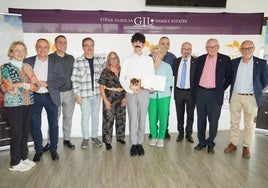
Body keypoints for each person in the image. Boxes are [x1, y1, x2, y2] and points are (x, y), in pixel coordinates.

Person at [224, 40, 268, 158]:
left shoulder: (262, 63)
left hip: (251, 98)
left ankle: (246, 147)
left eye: (249, 48)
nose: (246, 50)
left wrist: (257, 89)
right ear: (240, 50)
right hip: (236, 96)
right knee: (234, 122)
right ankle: (233, 143)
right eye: (244, 48)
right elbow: (228, 78)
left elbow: (265, 81)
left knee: (249, 124)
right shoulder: (233, 63)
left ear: (253, 49)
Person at [24, 38, 66, 162]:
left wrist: (47, 83)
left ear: (49, 49)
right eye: (40, 47)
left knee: (53, 125)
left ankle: (53, 149)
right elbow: (23, 79)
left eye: (45, 47)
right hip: (34, 97)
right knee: (35, 125)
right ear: (36, 47)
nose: (42, 49)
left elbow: (62, 80)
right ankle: (38, 150)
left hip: (50, 97)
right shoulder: (27, 62)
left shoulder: (56, 62)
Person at [0, 41, 39, 171]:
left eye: (22, 50)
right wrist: (27, 85)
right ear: (11, 52)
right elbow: (10, 87)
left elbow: (36, 86)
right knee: (17, 133)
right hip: (13, 105)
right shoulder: (5, 67)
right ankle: (15, 163)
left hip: (28, 103)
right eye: (17, 50)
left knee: (24, 133)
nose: (20, 53)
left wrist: (22, 85)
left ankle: (24, 157)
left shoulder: (27, 66)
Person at [194, 38, 232, 154]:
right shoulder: (200, 59)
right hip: (200, 93)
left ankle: (210, 143)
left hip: (215, 94)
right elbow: (195, 76)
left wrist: (219, 89)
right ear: (206, 48)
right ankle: (201, 142)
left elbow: (229, 77)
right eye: (210, 47)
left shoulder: (225, 59)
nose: (212, 49)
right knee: (201, 120)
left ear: (218, 47)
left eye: (215, 46)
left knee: (214, 121)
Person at [119, 32, 154, 156]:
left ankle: (140, 143)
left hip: (144, 92)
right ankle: (133, 144)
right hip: (131, 92)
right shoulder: (127, 60)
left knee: (142, 118)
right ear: (132, 43)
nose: (137, 44)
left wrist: (151, 87)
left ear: (143, 45)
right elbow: (122, 78)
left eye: (140, 42)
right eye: (136, 42)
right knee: (133, 118)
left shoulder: (149, 60)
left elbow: (151, 77)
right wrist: (130, 90)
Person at [71, 37, 104, 149]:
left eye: (91, 45)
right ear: (83, 47)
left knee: (95, 116)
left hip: (97, 95)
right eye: (86, 45)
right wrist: (77, 95)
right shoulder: (78, 60)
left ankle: (94, 137)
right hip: (84, 95)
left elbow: (103, 78)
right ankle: (85, 138)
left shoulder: (100, 60)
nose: (89, 47)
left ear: (94, 47)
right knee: (85, 117)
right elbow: (74, 79)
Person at [44, 35, 75, 150]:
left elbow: (74, 75)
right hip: (54, 93)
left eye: (65, 42)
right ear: (55, 45)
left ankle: (66, 139)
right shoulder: (49, 58)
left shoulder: (71, 58)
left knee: (68, 117)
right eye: (60, 42)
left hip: (69, 93)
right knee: (53, 119)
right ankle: (50, 142)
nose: (63, 44)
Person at [98, 51, 127, 150]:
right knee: (108, 120)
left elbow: (128, 85)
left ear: (117, 59)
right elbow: (101, 87)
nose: (113, 60)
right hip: (109, 97)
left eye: (115, 58)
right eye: (111, 58)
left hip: (122, 96)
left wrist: (126, 97)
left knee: (121, 119)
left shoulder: (123, 70)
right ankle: (107, 141)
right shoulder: (105, 71)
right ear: (108, 60)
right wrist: (105, 101)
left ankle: (120, 137)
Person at [148, 45, 173, 148]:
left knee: (163, 117)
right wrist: (148, 87)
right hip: (151, 96)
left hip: (164, 96)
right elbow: (146, 79)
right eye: (154, 53)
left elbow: (170, 82)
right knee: (152, 117)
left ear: (162, 54)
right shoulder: (148, 66)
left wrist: (158, 87)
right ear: (152, 55)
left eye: (158, 53)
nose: (156, 55)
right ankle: (153, 136)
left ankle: (161, 137)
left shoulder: (167, 66)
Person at [172, 42, 196, 143]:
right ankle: (181, 133)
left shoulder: (196, 61)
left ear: (191, 50)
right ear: (181, 50)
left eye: (189, 49)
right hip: (179, 92)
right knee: (179, 114)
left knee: (190, 115)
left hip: (191, 92)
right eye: (184, 49)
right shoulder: (176, 61)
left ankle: (189, 134)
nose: (186, 51)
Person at [158, 36, 177, 139]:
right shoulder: (151, 55)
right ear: (159, 44)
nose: (165, 45)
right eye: (163, 43)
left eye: (167, 44)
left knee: (165, 112)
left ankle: (165, 130)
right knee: (154, 111)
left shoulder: (173, 57)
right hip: (153, 90)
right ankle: (154, 130)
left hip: (166, 90)